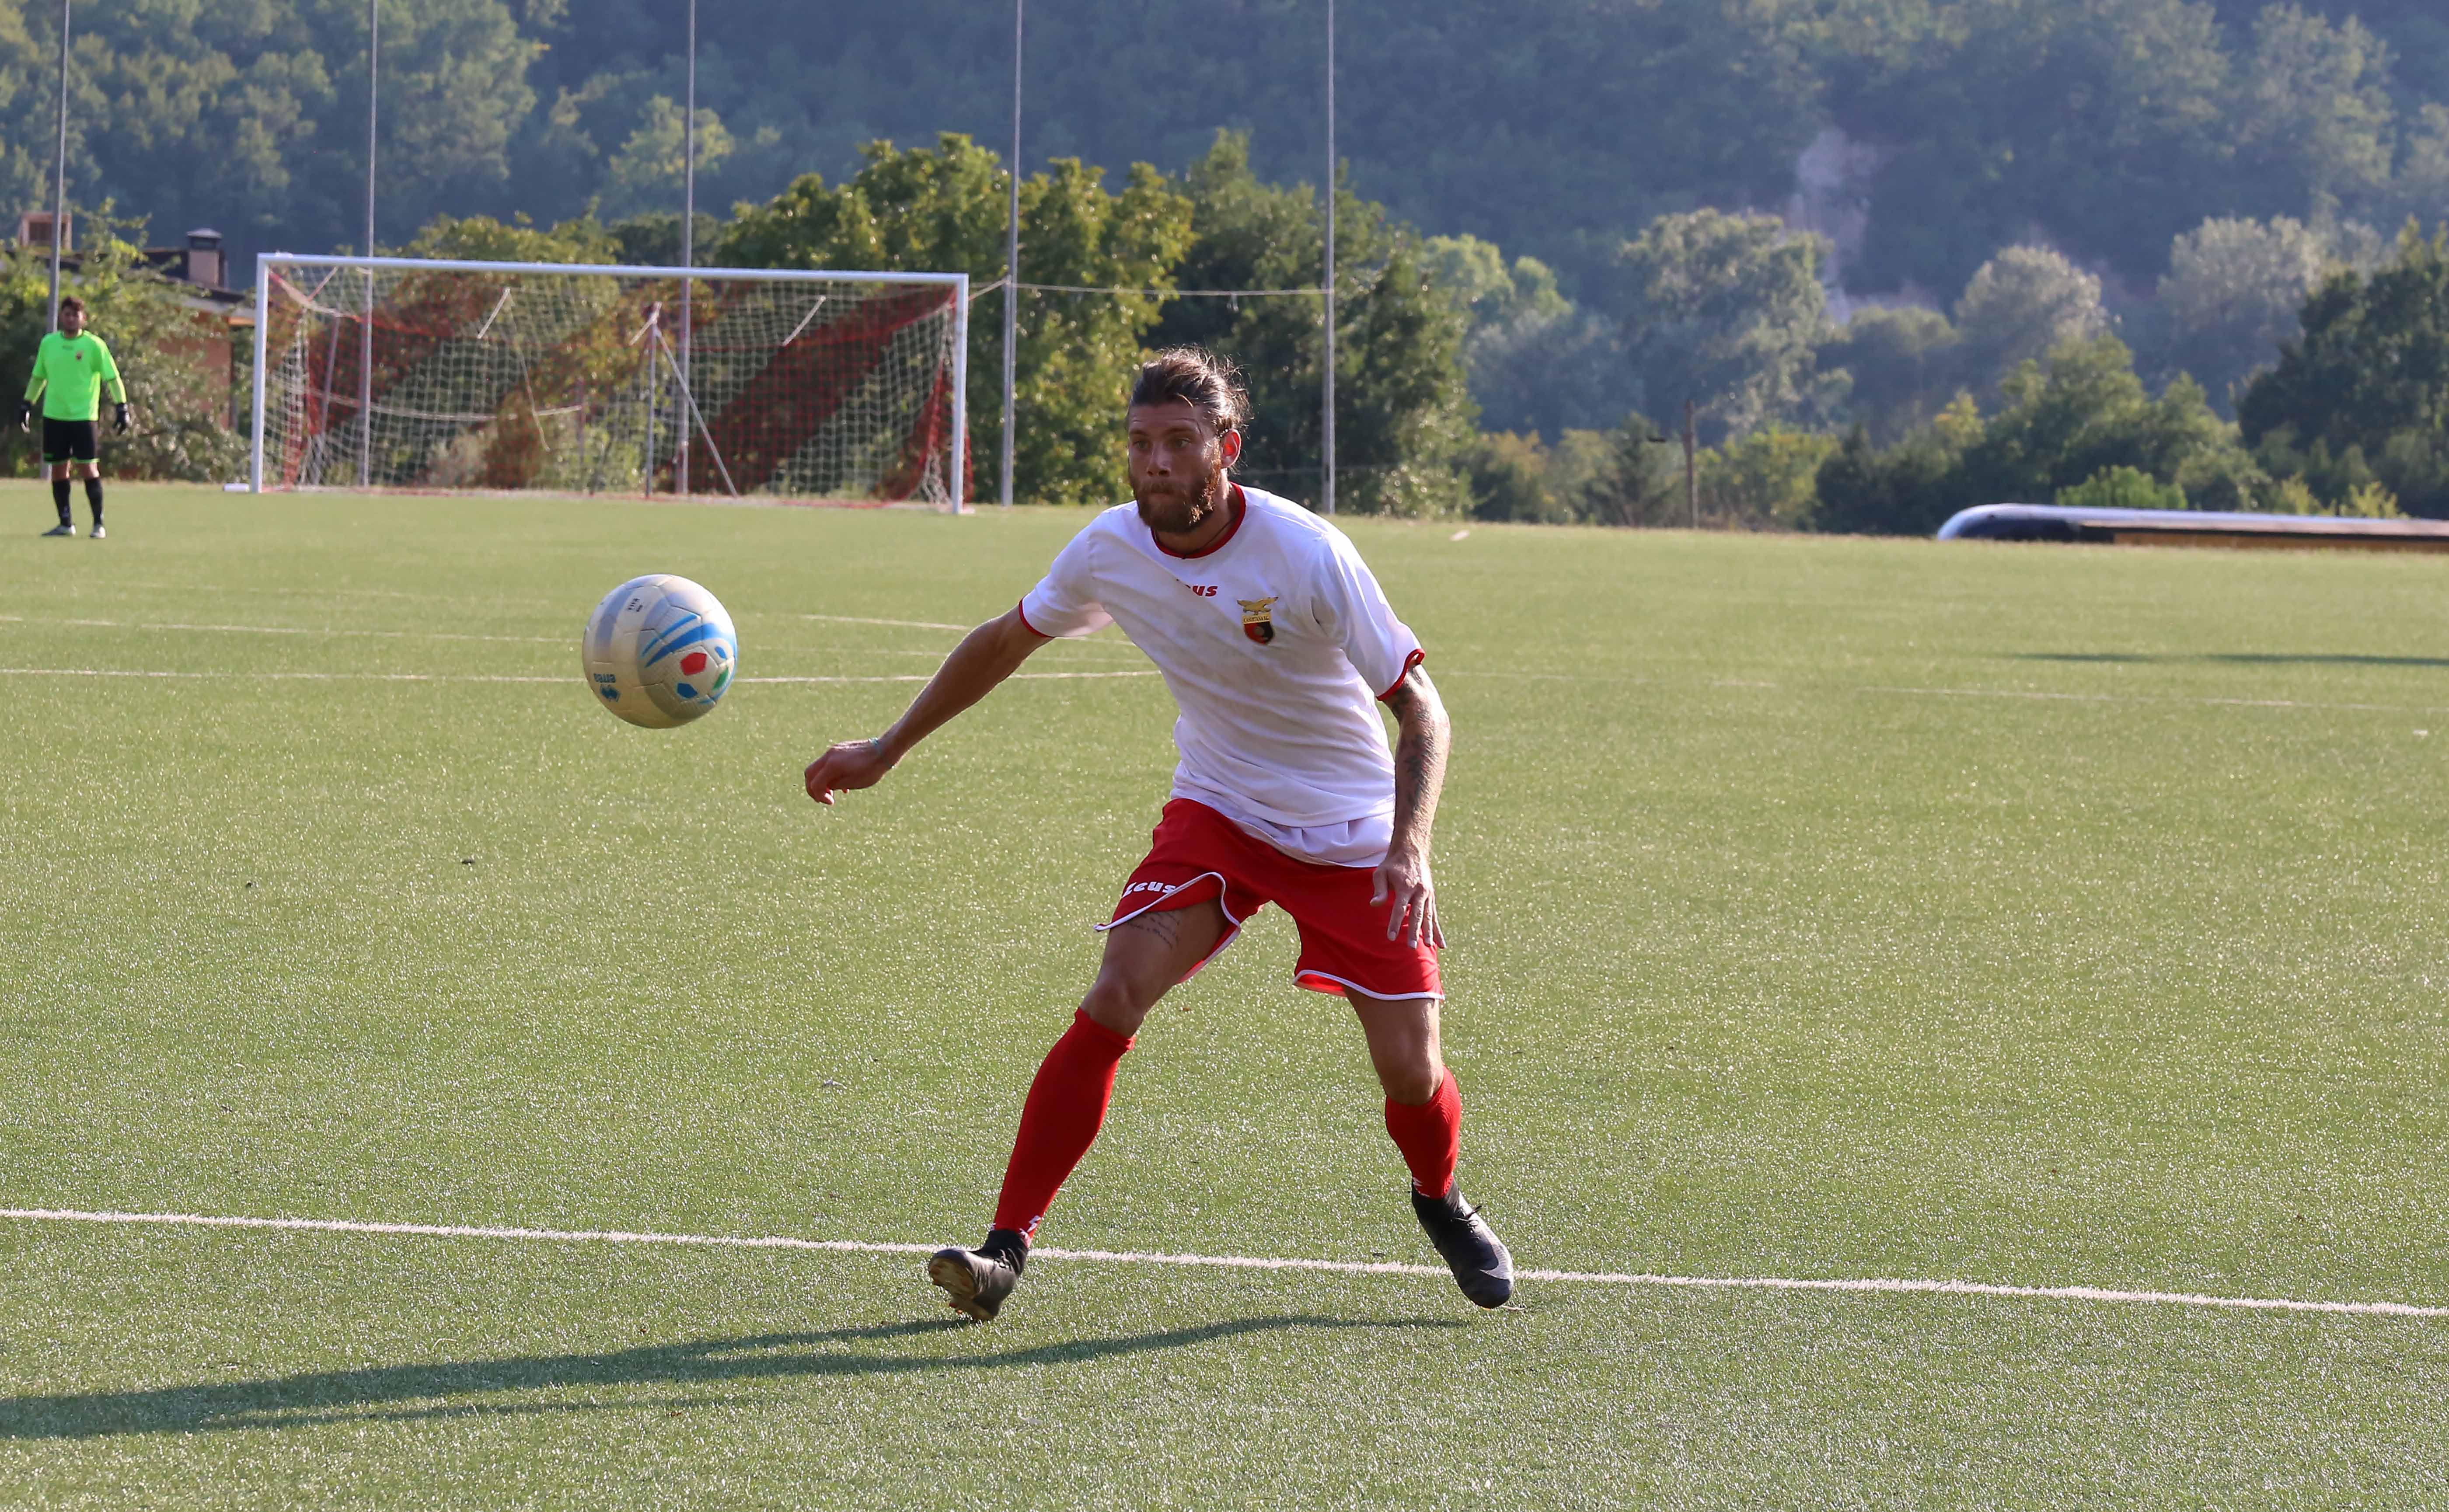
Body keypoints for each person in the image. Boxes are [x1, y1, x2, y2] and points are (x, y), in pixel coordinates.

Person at [802, 347, 1513, 1321]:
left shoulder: (1305, 553)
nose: (1157, 463)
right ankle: (1006, 1249)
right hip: (1217, 812)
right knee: (1115, 991)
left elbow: (1422, 711)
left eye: (1180, 443)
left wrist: (1410, 844)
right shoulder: (1107, 550)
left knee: (1409, 1068)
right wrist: (888, 747)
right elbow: (1007, 640)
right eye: (1141, 444)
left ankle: (1440, 1198)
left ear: (1225, 448)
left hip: (1352, 833)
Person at [17, 296, 130, 540]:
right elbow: (39, 377)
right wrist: (27, 404)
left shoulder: (94, 346)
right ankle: (65, 524)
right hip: (54, 417)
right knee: (59, 470)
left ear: (84, 318)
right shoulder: (49, 344)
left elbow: (112, 378)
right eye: (67, 314)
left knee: (89, 468)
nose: (71, 318)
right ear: (62, 317)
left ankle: (98, 524)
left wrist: (122, 407)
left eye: (76, 314)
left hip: (84, 418)